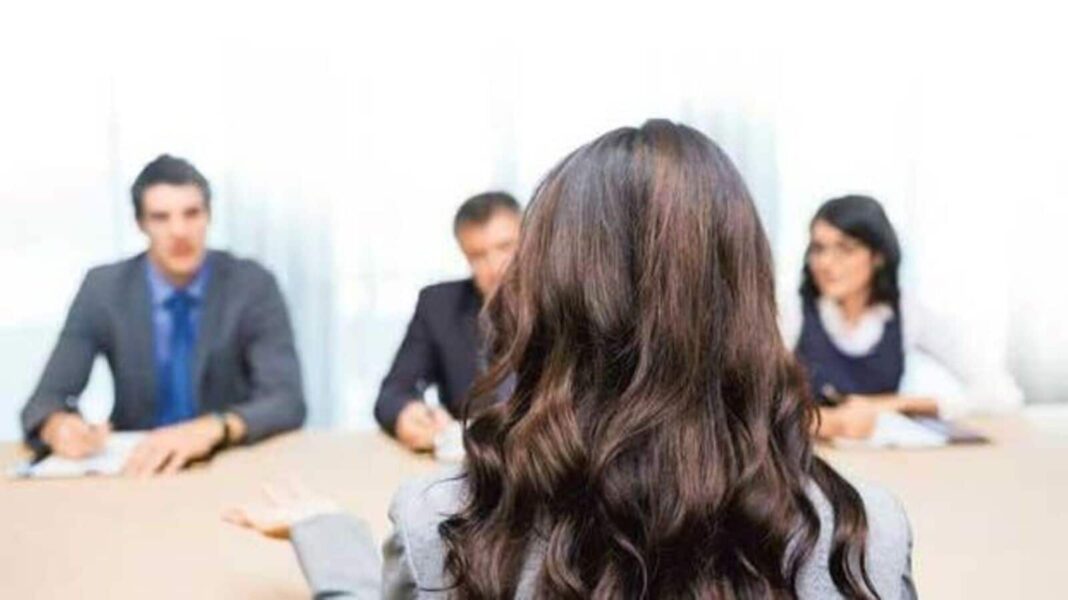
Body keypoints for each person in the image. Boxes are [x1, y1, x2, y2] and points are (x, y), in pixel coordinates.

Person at [227, 121, 915, 599]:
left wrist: (331, 539)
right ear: (747, 298)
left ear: (541, 297)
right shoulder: (869, 535)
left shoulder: (440, 527)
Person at [21, 154, 306, 475]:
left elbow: (286, 400)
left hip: (228, 463)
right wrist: (57, 426)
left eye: (191, 213)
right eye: (161, 217)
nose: (179, 230)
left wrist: (211, 429)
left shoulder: (252, 284)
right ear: (141, 224)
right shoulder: (104, 289)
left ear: (208, 216)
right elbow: (45, 399)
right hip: (138, 468)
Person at [783, 194, 1023, 439]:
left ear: (878, 257)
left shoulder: (908, 314)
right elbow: (756, 408)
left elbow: (1001, 394)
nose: (826, 262)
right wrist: (828, 423)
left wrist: (896, 404)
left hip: (881, 460)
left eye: (846, 249)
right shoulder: (792, 313)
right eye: (819, 249)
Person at [374, 192, 521, 451]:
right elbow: (393, 393)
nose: (495, 266)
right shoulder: (439, 306)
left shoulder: (566, 299)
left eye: (505, 247)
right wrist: (408, 414)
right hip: (470, 465)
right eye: (477, 255)